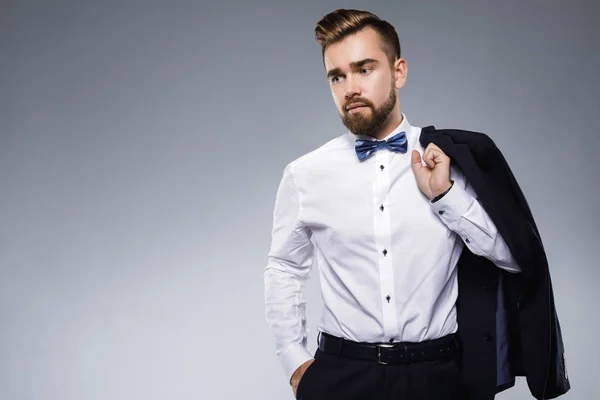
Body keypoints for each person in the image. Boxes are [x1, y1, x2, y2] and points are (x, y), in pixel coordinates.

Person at [264, 8, 569, 400]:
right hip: (342, 377)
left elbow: (515, 259)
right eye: (336, 76)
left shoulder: (452, 160)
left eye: (364, 69)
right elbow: (284, 267)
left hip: (441, 376)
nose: (349, 87)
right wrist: (295, 362)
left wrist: (446, 197)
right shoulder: (305, 174)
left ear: (398, 72)